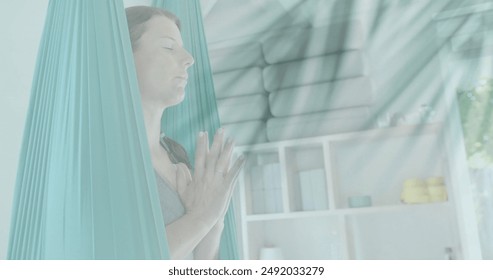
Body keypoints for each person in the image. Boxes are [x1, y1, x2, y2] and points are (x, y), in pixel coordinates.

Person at [125, 6, 245, 260]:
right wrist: (203, 217)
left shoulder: (176, 155)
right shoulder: (109, 159)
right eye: (169, 47)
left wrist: (216, 221)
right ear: (123, 56)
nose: (189, 58)